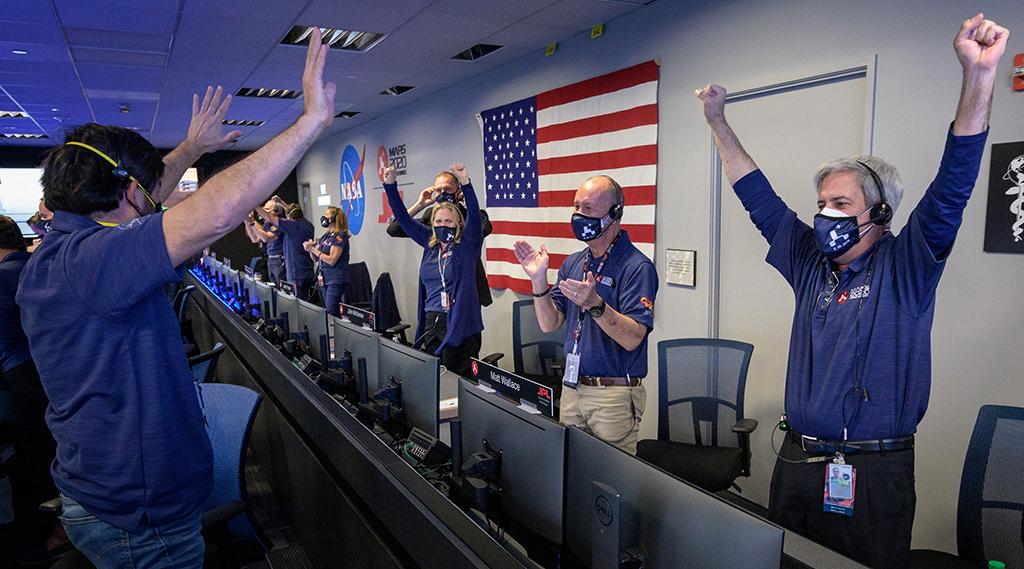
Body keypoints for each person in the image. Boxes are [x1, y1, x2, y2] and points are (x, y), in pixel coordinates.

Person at [694, 14, 1008, 569]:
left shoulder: (907, 265)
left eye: (840, 204)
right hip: (798, 461)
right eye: (821, 203)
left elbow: (954, 182)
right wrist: (717, 121)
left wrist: (978, 76)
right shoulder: (808, 262)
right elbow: (756, 195)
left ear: (880, 214)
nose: (825, 215)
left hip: (873, 473)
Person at [17, 29, 337, 568]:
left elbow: (139, 197)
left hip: (113, 496)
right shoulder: (93, 260)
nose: (154, 202)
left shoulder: (68, 253)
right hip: (143, 520)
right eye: (145, 194)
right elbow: (214, 213)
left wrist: (192, 149)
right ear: (128, 191)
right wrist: (309, 122)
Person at [514, 175, 657, 455]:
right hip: (573, 387)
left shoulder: (637, 267)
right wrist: (539, 280)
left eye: (588, 208)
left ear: (614, 213)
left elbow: (633, 338)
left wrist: (595, 305)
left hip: (612, 396)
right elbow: (549, 323)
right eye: (576, 206)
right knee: (570, 468)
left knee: (610, 476)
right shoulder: (575, 262)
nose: (579, 215)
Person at [0, 215, 66, 565]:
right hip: (53, 377)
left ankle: (41, 537)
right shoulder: (37, 266)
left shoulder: (1, 278)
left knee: (29, 461)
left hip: (20, 384)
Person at [382, 163, 483, 378]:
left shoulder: (467, 244)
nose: (443, 224)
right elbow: (402, 220)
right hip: (432, 321)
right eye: (438, 221)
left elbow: (474, 216)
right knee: (434, 379)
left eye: (448, 221)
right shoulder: (429, 241)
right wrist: (390, 185)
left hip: (461, 323)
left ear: (458, 223)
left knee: (456, 383)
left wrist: (465, 183)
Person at [387, 170, 494, 307]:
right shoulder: (431, 217)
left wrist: (467, 201)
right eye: (438, 190)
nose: (443, 193)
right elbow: (395, 228)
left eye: (447, 189)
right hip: (437, 291)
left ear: (458, 191)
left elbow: (484, 228)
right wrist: (420, 205)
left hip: (467, 290)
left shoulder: (471, 216)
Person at [260, 200, 315, 299]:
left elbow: (270, 218)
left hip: (296, 274)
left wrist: (254, 205)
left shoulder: (292, 226)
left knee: (296, 303)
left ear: (289, 217)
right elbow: (292, 212)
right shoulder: (308, 225)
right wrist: (281, 202)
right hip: (307, 271)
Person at [304, 206, 350, 316]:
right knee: (327, 311)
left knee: (331, 311)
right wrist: (311, 249)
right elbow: (316, 259)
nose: (323, 217)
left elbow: (332, 260)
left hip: (335, 280)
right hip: (324, 279)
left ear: (333, 218)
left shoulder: (340, 236)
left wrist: (313, 250)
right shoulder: (326, 236)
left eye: (326, 214)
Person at [244, 199, 286, 283]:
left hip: (280, 260)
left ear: (275, 211)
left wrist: (252, 223)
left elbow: (266, 238)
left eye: (266, 210)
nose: (262, 213)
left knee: (280, 288)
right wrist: (246, 220)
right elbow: (255, 238)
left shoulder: (280, 223)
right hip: (270, 260)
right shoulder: (267, 224)